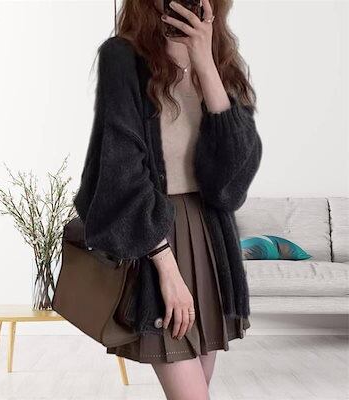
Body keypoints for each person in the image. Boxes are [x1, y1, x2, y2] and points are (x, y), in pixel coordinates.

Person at [73, 0, 262, 398]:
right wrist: (167, 271)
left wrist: (205, 63)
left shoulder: (223, 62)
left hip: (210, 241)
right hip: (154, 240)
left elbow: (232, 181)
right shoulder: (122, 57)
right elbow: (121, 171)